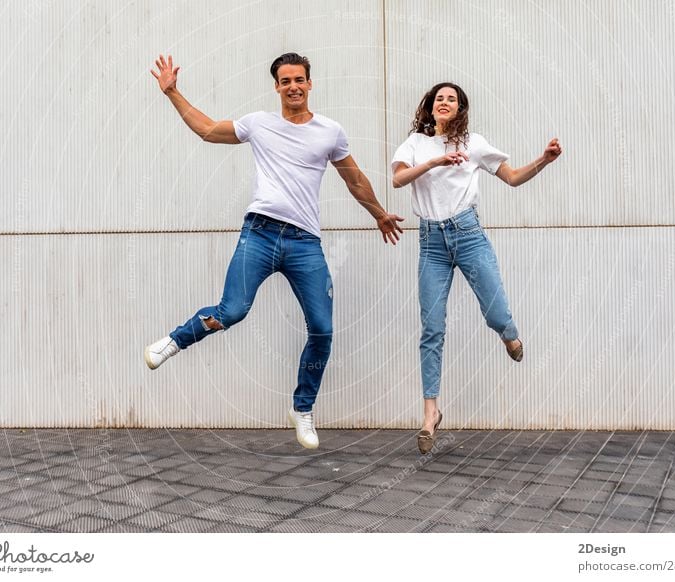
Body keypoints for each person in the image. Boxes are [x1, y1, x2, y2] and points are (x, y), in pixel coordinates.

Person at [144, 53, 404, 450]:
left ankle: (302, 409)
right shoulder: (259, 124)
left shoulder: (329, 132)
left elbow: (355, 180)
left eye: (299, 79)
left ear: (310, 83)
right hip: (260, 234)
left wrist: (380, 214)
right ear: (277, 86)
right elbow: (209, 130)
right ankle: (176, 340)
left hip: (304, 243)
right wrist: (172, 92)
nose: (293, 86)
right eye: (285, 81)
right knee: (232, 311)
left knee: (323, 329)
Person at [391, 82, 562, 454]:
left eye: (451, 99)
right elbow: (398, 178)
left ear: (460, 107)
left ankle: (509, 334)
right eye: (439, 98)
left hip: (468, 235)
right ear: (430, 107)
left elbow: (513, 177)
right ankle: (430, 415)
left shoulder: (474, 144)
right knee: (431, 327)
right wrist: (435, 161)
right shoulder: (416, 144)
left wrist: (543, 160)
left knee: (495, 311)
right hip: (431, 242)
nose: (444, 102)